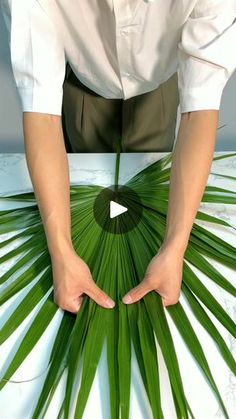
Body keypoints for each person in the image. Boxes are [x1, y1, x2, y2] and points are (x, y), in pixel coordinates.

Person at [1, 0, 236, 314]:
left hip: (157, 82)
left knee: (145, 181)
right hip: (84, 80)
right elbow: (43, 114)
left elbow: (198, 109)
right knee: (89, 175)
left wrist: (174, 247)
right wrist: (62, 253)